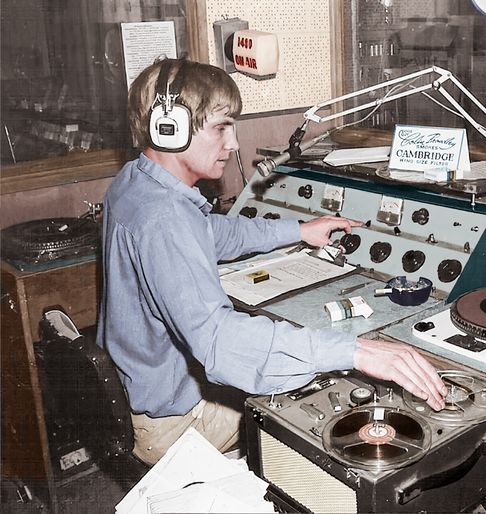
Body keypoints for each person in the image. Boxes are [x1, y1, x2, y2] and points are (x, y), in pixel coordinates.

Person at [96, 58, 446, 465]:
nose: (234, 144)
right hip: (174, 424)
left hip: (141, 391)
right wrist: (355, 351)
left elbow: (214, 232)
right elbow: (219, 341)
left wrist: (298, 230)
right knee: (334, 405)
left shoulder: (136, 182)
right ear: (168, 127)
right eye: (220, 127)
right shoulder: (165, 218)